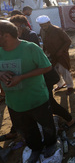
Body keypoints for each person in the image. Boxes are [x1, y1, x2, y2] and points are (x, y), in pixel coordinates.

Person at [0, 20, 57, 163]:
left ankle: (51, 144)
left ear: (5, 35)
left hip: (36, 98)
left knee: (47, 125)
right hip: (14, 102)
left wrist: (21, 77)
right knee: (27, 130)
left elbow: (47, 67)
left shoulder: (30, 48)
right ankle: (36, 148)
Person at [8, 15, 75, 130]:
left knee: (49, 100)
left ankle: (69, 116)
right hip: (48, 60)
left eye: (16, 27)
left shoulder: (31, 36)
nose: (14, 30)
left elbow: (67, 42)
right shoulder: (38, 32)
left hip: (46, 71)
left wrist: (60, 51)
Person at [36, 15, 75, 95]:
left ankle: (70, 86)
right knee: (55, 71)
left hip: (61, 55)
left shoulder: (57, 30)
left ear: (49, 23)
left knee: (64, 70)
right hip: (51, 55)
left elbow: (68, 41)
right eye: (41, 25)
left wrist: (61, 51)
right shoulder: (42, 30)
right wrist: (44, 53)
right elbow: (45, 43)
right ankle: (60, 84)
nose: (43, 27)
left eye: (45, 25)